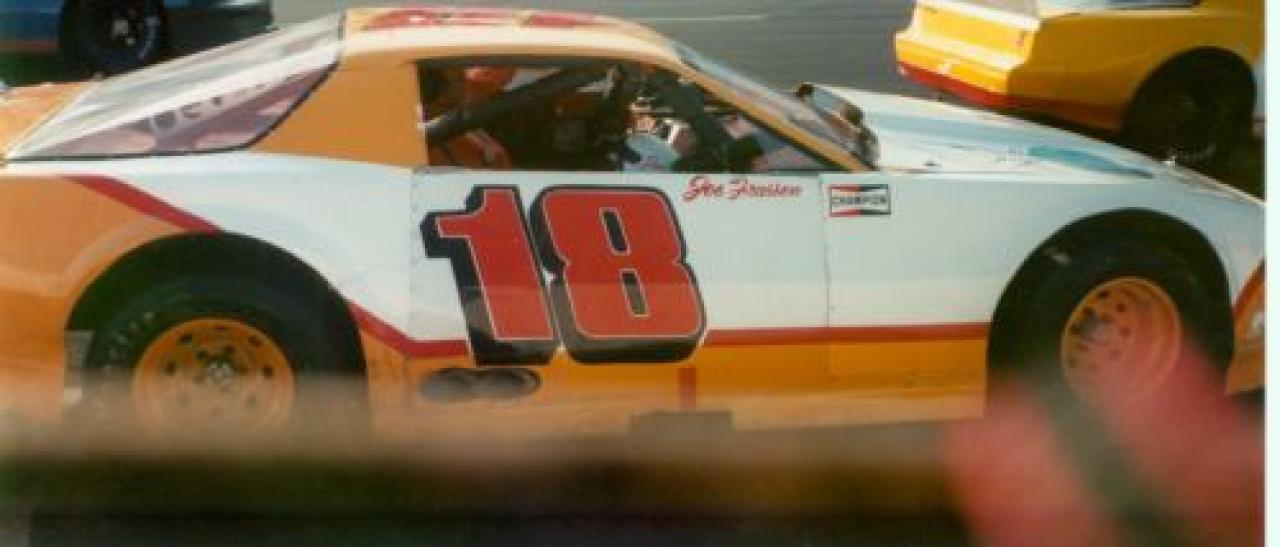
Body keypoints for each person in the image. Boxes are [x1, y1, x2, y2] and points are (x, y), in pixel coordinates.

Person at [421, 66, 516, 169]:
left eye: (461, 78)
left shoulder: (466, 124)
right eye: (459, 79)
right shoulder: (428, 136)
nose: (463, 87)